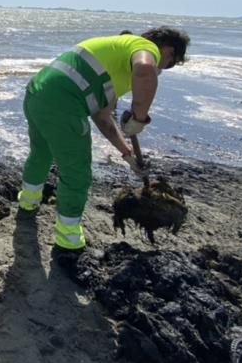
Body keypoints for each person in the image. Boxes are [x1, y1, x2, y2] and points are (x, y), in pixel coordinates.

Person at [17, 26, 190, 251]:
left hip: (38, 93)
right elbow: (146, 69)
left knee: (41, 154)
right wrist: (139, 117)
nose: (165, 68)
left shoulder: (114, 56)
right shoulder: (143, 47)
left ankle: (28, 202)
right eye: (171, 62)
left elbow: (103, 118)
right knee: (76, 171)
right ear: (168, 48)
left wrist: (127, 155)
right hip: (64, 102)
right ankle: (68, 241)